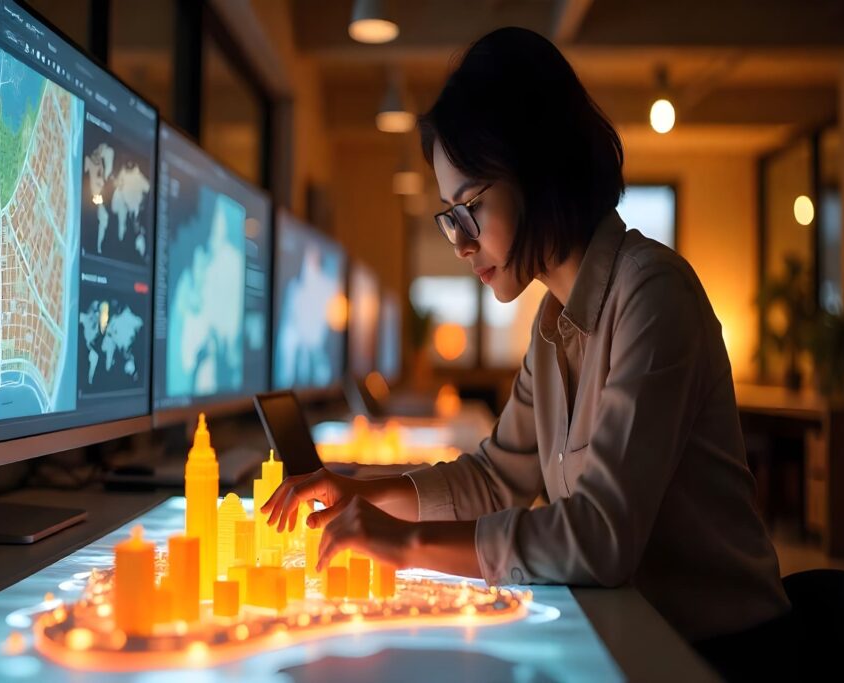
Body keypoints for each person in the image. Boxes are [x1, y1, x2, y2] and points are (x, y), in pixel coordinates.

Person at [262, 27, 794, 679]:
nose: (459, 243)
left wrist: (404, 544)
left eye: (470, 208)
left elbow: (600, 538)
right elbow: (493, 477)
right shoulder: (553, 325)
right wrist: (361, 491)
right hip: (633, 632)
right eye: (448, 217)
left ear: (539, 169)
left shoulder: (652, 295)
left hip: (719, 655)